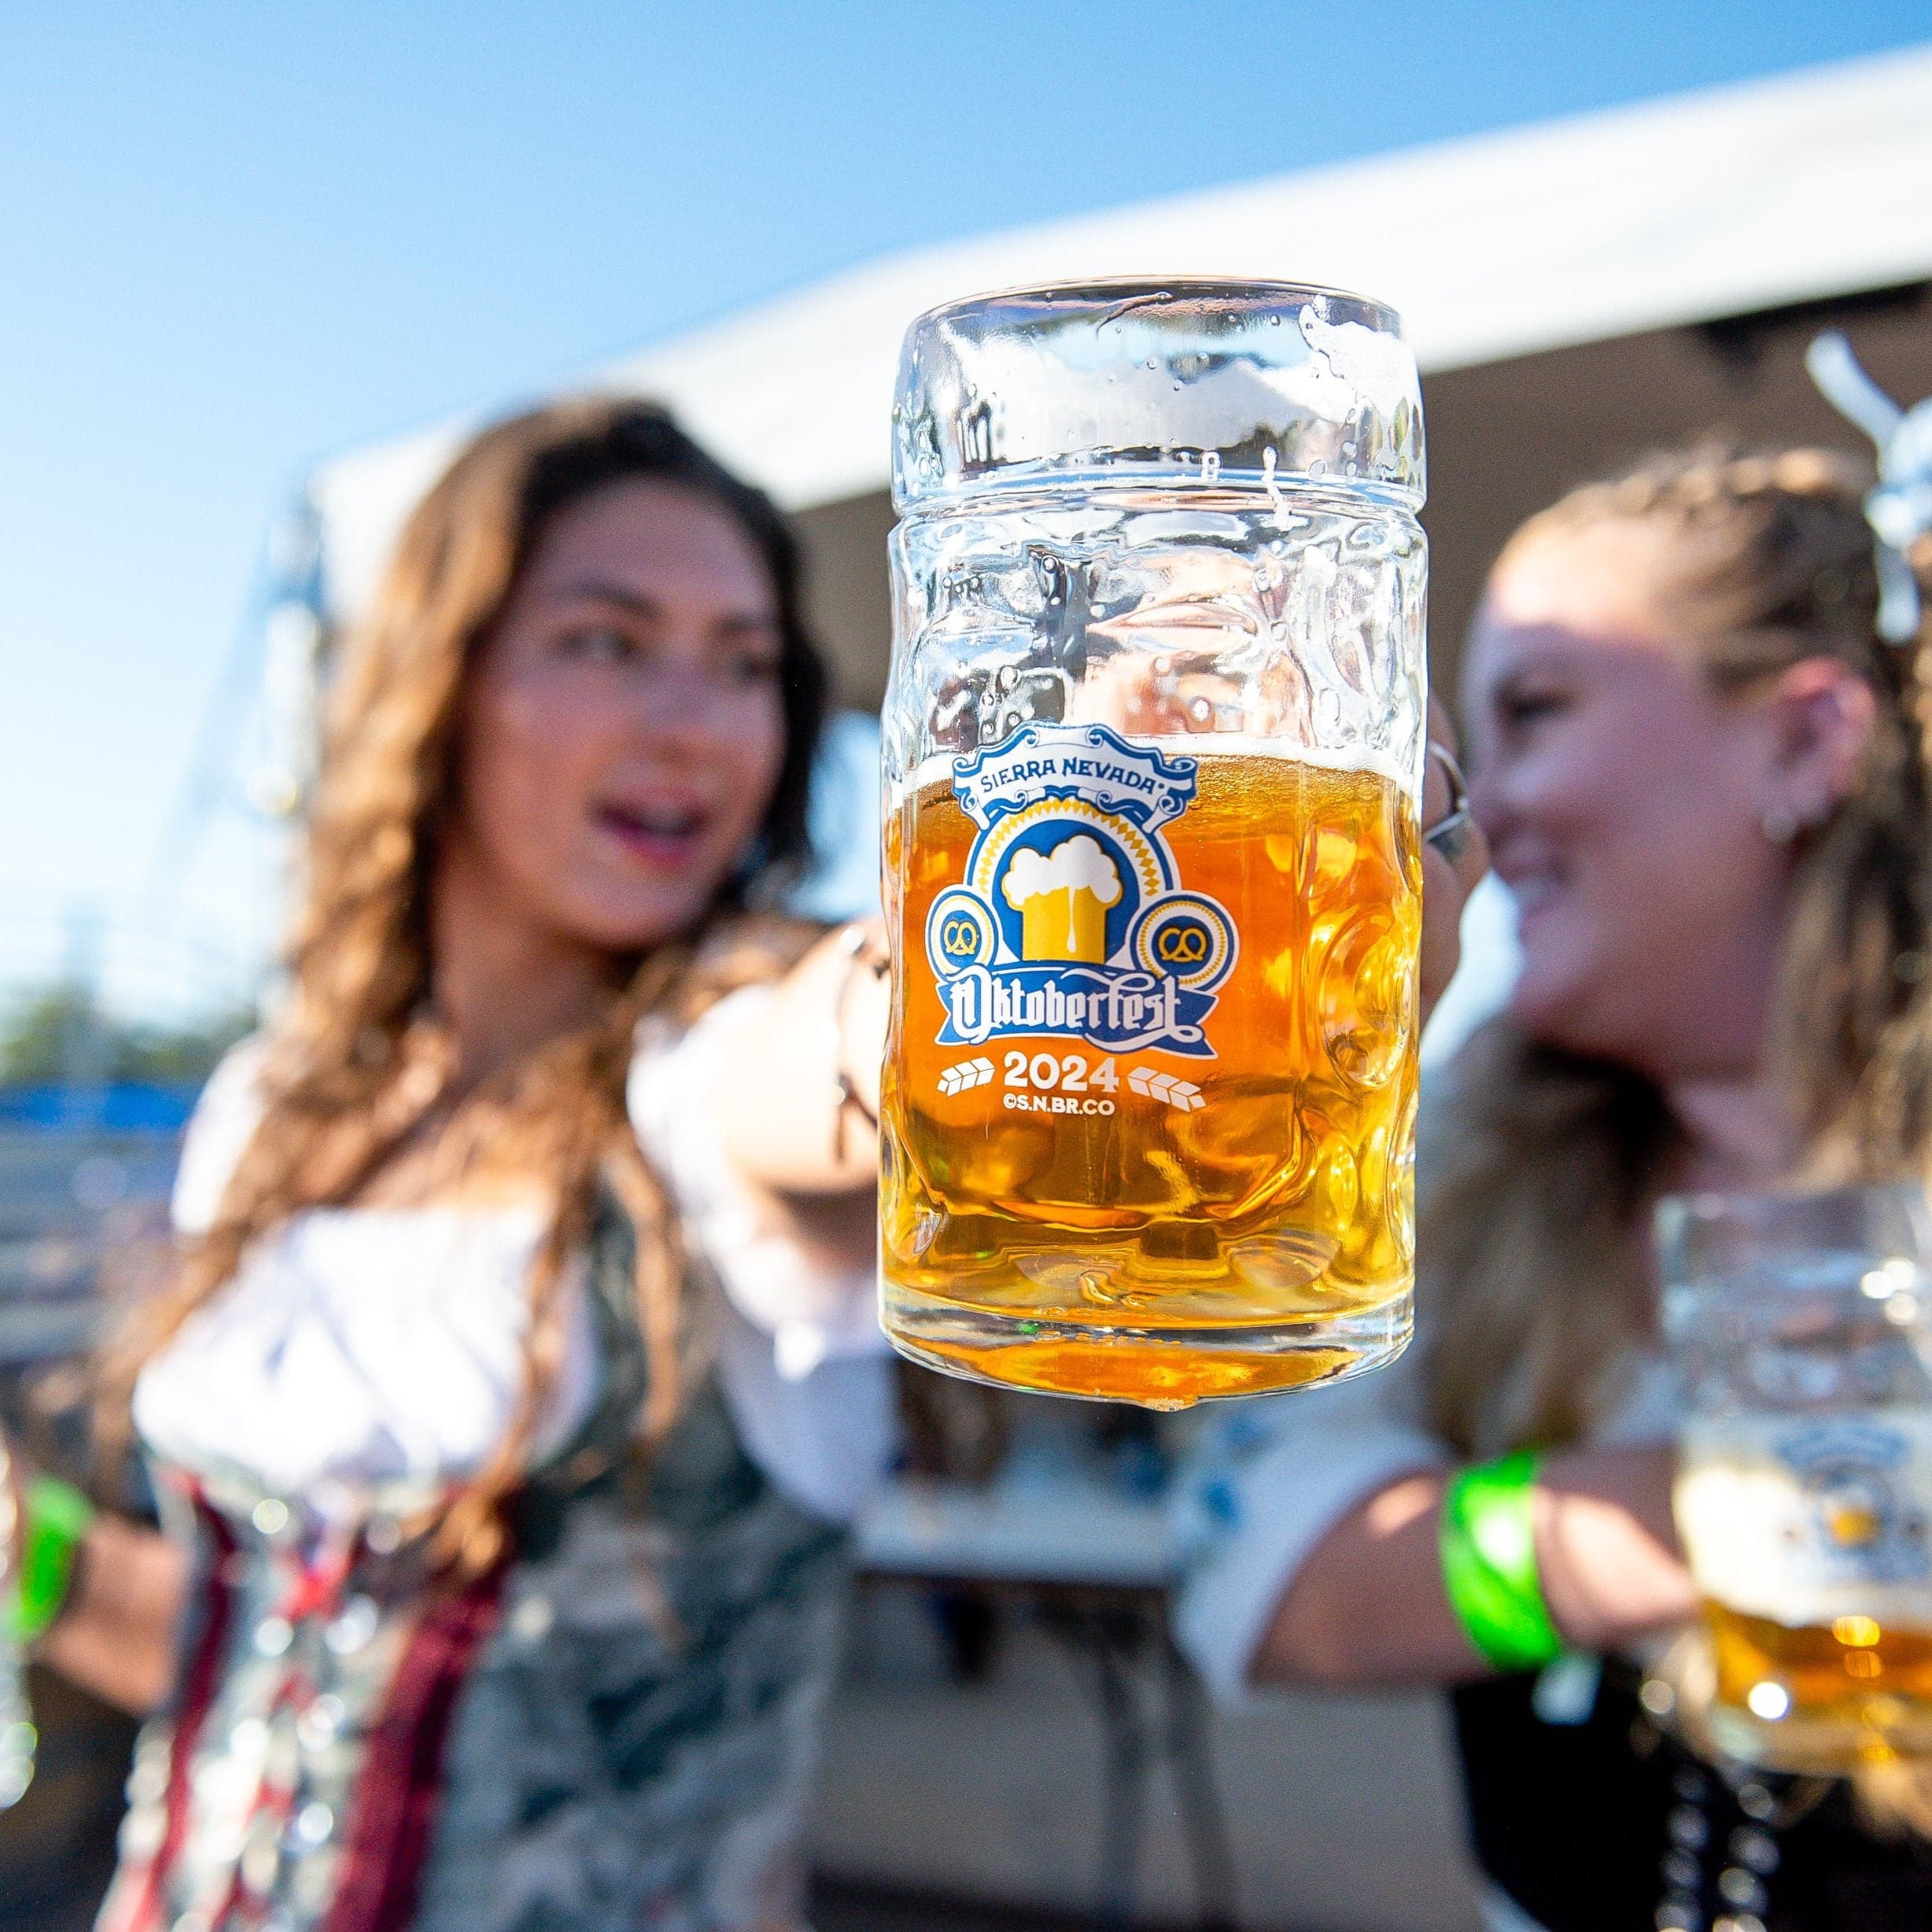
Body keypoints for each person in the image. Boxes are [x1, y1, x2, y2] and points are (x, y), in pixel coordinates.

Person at [6, 398, 895, 1932]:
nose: (693, 720)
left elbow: (849, 1057)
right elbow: (261, 1666)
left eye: (746, 665)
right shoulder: (276, 1107)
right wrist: (27, 1553)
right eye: (608, 641)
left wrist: (1014, 938)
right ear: (444, 679)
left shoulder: (709, 1078)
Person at [1177, 437, 1932, 1932]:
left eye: (1534, 714)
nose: (1469, 806)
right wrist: (1618, 1528)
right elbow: (1247, 1579)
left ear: (1804, 739)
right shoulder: (1464, 1160)